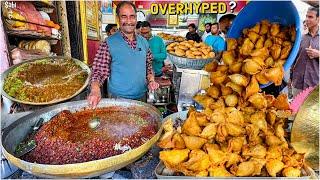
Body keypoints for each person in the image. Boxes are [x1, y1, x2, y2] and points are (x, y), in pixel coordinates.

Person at [88, 1, 159, 108]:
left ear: (136, 18)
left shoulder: (144, 42)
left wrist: (151, 80)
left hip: (142, 97)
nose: (129, 21)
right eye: (124, 17)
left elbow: (148, 67)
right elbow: (98, 71)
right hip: (118, 99)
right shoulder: (108, 43)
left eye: (132, 16)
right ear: (118, 19)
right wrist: (95, 90)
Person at [291, 7, 319, 97]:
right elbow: (293, 58)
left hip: (314, 85)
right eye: (306, 16)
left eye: (310, 17)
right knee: (295, 110)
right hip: (297, 83)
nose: (307, 19)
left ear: (318, 19)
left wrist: (318, 54)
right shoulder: (300, 37)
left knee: (311, 111)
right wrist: (290, 79)